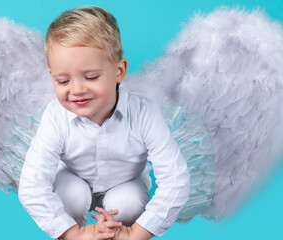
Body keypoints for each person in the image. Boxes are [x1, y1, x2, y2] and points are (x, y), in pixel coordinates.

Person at [18, 6, 190, 240]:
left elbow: (176, 179)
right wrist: (74, 233)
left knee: (128, 202)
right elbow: (32, 185)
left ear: (119, 71)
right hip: (73, 179)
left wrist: (135, 233)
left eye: (91, 77)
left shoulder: (144, 113)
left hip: (124, 183)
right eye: (63, 80)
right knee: (71, 195)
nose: (77, 89)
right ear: (52, 77)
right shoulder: (55, 116)